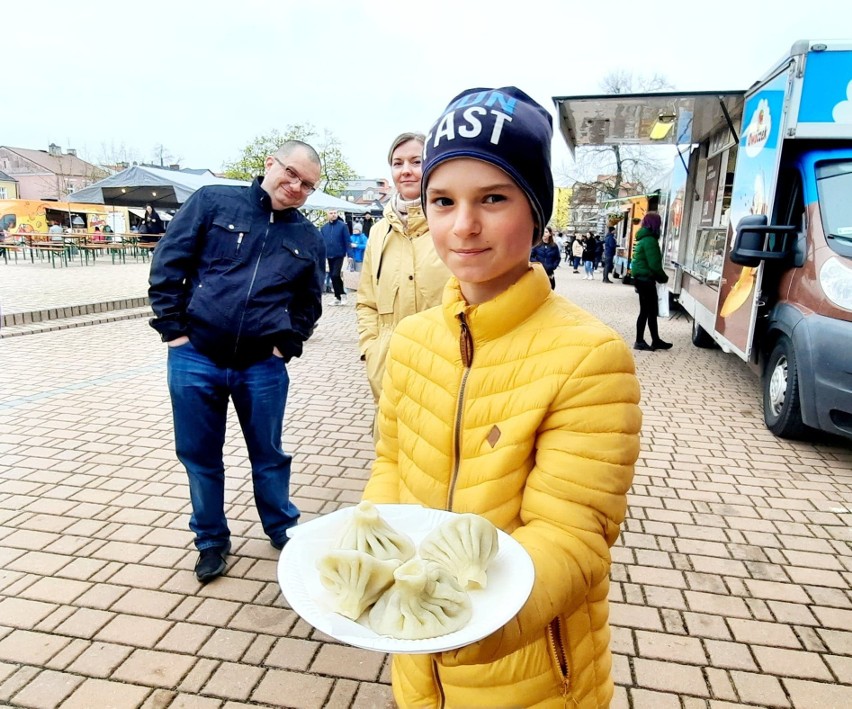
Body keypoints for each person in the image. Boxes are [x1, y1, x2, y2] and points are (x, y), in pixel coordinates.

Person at [363, 86, 641, 708]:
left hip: (529, 667)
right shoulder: (411, 341)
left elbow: (572, 537)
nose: (463, 225)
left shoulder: (589, 358)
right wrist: (373, 568)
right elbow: (391, 467)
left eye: (493, 198)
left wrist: (463, 627)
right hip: (418, 661)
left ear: (536, 213)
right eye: (443, 200)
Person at [148, 140, 326, 583]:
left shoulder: (307, 236)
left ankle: (282, 527)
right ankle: (210, 540)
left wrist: (287, 345)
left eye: (307, 184)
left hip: (261, 366)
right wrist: (175, 332)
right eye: (291, 173)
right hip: (196, 357)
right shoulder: (213, 201)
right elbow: (169, 262)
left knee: (268, 454)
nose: (295, 186)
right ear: (271, 163)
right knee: (199, 455)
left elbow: (309, 302)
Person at [356, 131, 450, 409]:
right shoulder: (378, 233)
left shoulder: (452, 224)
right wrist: (371, 350)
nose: (406, 171)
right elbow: (366, 301)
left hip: (444, 374)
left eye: (415, 161)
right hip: (388, 374)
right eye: (398, 164)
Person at [631, 211, 672, 351]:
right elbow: (654, 265)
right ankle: (640, 341)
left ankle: (655, 340)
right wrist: (663, 278)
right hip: (646, 280)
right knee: (647, 311)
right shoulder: (650, 240)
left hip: (640, 279)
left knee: (649, 311)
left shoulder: (643, 238)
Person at [320, 209, 351, 306]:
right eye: (331, 213)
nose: (333, 215)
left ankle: (343, 294)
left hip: (339, 254)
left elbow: (347, 241)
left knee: (335, 275)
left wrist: (350, 255)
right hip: (329, 254)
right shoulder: (324, 228)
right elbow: (321, 242)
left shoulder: (342, 226)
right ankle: (337, 297)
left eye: (335, 213)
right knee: (333, 276)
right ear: (327, 215)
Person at [529, 224, 561, 289]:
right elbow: (531, 256)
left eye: (546, 232)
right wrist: (538, 264)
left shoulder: (554, 246)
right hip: (539, 272)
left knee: (550, 288)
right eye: (543, 232)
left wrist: (553, 266)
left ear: (550, 234)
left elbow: (557, 258)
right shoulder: (537, 245)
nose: (544, 234)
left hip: (549, 272)